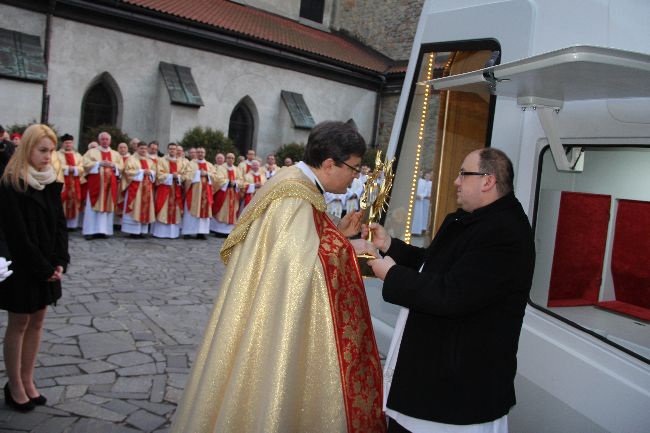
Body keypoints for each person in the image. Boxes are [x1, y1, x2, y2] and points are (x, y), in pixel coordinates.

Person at [170, 121, 385, 433]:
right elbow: (297, 269)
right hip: (272, 318)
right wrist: (352, 249)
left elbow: (296, 248)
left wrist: (337, 234)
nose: (355, 177)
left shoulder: (295, 182)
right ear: (328, 164)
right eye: (353, 168)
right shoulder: (295, 196)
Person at [355, 148, 535, 433]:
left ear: (487, 181)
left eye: (464, 173)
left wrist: (389, 273)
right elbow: (433, 265)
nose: (456, 181)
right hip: (434, 376)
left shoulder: (504, 232)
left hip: (457, 391)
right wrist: (390, 245)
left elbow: (451, 294)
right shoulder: (469, 220)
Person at [0, 124, 69, 413]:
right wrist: (43, 267)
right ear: (27, 148)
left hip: (47, 264)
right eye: (42, 150)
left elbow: (59, 225)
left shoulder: (52, 181)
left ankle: (28, 380)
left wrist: (60, 261)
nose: (48, 156)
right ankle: (14, 384)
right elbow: (17, 235)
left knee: (38, 322)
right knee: (19, 323)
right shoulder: (11, 184)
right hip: (24, 265)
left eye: (51, 151)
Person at [81, 132, 124, 240]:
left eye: (107, 139)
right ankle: (90, 231)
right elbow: (84, 164)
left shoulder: (115, 154)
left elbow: (121, 167)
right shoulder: (91, 152)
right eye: (103, 139)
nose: (105, 141)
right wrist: (98, 164)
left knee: (107, 207)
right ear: (99, 140)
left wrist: (113, 165)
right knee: (92, 208)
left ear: (110, 141)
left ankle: (103, 231)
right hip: (95, 185)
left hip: (110, 186)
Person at [181, 147, 217, 239]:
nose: (200, 154)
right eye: (199, 152)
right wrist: (198, 173)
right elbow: (186, 175)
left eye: (202, 152)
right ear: (196, 153)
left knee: (204, 212)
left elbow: (215, 177)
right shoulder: (190, 164)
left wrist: (207, 174)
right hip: (194, 193)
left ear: (205, 154)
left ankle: (201, 232)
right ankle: (188, 232)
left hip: (205, 193)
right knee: (190, 212)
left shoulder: (209, 165)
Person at [121, 141, 156, 237]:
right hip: (135, 189)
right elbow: (127, 171)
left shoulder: (149, 160)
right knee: (135, 208)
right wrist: (142, 172)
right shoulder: (131, 159)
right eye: (141, 148)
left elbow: (154, 172)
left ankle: (142, 231)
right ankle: (133, 231)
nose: (143, 150)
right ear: (137, 149)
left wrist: (151, 173)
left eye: (145, 148)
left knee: (145, 208)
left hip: (147, 188)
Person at [152, 143, 185, 238]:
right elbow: (158, 174)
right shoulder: (161, 161)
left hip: (176, 189)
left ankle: (173, 234)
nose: (172, 150)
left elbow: (184, 174)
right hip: (164, 189)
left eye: (174, 149)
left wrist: (178, 176)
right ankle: (160, 233)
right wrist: (171, 176)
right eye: (170, 149)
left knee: (175, 210)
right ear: (167, 150)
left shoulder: (180, 162)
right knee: (162, 209)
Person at [210, 152, 242, 237]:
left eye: (232, 158)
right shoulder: (221, 168)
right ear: (226, 159)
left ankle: (229, 231)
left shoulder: (236, 169)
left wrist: (235, 183)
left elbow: (241, 180)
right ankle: (219, 230)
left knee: (232, 210)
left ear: (234, 160)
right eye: (228, 158)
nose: (230, 159)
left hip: (233, 194)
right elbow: (218, 179)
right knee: (222, 211)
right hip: (224, 194)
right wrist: (228, 182)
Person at [57, 134, 85, 229]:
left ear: (72, 143)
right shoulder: (57, 155)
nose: (68, 144)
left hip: (75, 181)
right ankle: (61, 223)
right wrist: (68, 168)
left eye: (70, 143)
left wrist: (75, 169)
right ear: (62, 144)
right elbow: (56, 166)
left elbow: (82, 167)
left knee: (75, 199)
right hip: (63, 181)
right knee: (62, 200)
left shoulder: (77, 155)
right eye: (66, 143)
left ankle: (72, 225)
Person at [410, 171, 432, 235]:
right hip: (413, 200)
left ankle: (416, 231)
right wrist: (414, 195)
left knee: (418, 216)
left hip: (419, 201)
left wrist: (420, 196)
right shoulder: (413, 180)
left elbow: (425, 191)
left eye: (421, 173)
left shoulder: (423, 182)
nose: (419, 174)